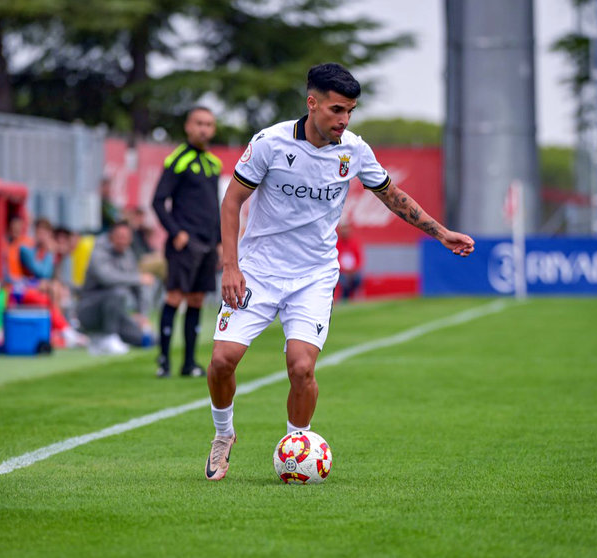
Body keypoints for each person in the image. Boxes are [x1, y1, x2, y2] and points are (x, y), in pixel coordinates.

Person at [203, 62, 475, 481]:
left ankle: (300, 446)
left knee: (301, 367)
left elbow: (392, 196)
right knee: (222, 361)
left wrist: (440, 233)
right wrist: (231, 266)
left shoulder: (354, 150)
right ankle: (223, 436)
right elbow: (231, 202)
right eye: (336, 110)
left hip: (313, 275)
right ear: (311, 104)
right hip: (257, 271)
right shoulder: (270, 144)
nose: (344, 120)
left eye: (350, 111)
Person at [152, 106, 222, 378]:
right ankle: (164, 361)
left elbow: (214, 207)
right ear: (188, 127)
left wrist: (219, 242)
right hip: (184, 243)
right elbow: (158, 201)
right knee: (175, 297)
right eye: (199, 123)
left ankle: (189, 362)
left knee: (196, 299)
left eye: (208, 124)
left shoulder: (214, 164)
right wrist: (176, 232)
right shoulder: (177, 160)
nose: (204, 129)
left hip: (207, 243)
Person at [77, 221, 155, 356]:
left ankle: (103, 339)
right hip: (89, 309)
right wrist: (138, 278)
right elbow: (107, 278)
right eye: (119, 236)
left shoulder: (128, 254)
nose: (122, 240)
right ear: (111, 236)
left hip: (116, 314)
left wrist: (141, 314)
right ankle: (108, 337)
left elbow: (138, 286)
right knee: (117, 292)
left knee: (147, 340)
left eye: (126, 237)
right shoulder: (98, 251)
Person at [335, 221, 363, 300]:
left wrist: (353, 270)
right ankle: (344, 299)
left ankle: (355, 299)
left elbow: (359, 259)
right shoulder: (336, 244)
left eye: (346, 228)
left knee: (358, 278)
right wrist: (344, 270)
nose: (345, 231)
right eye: (343, 229)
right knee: (344, 281)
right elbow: (335, 260)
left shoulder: (354, 243)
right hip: (341, 272)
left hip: (353, 271)